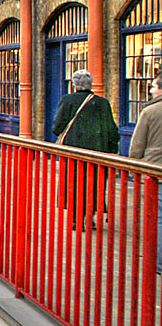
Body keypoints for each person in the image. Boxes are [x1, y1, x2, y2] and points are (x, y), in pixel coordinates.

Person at [51, 69, 119, 229]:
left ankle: (76, 218)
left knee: (73, 183)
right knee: (94, 183)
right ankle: (90, 215)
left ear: (74, 85)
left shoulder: (67, 100)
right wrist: (111, 150)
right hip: (97, 151)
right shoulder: (102, 103)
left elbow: (57, 126)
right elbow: (112, 130)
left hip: (73, 151)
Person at [129, 73, 162, 272]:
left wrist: (134, 168)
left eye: (153, 86)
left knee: (158, 217)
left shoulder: (149, 111)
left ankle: (159, 262)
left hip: (155, 170)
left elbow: (137, 145)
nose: (150, 90)